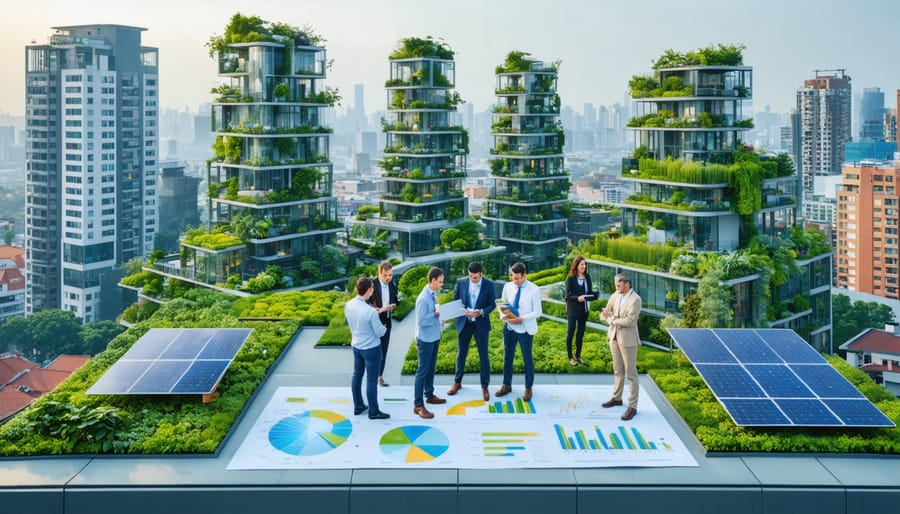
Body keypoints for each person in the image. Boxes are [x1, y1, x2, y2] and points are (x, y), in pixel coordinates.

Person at [448, 262, 496, 401]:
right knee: (461, 354)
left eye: (475, 277)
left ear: (480, 274)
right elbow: (455, 301)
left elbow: (492, 304)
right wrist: (462, 311)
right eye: (470, 276)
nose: (472, 279)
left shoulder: (488, 284)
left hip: (480, 324)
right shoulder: (461, 282)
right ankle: (457, 382)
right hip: (464, 323)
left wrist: (480, 312)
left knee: (483, 356)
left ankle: (485, 386)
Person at [496, 261, 542, 401]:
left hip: (525, 330)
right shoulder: (507, 287)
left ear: (524, 275)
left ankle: (528, 388)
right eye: (512, 277)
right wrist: (502, 315)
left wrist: (522, 318)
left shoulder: (534, 289)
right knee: (507, 358)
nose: (514, 281)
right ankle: (506, 385)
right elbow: (502, 305)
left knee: (527, 360)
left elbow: (538, 312)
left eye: (517, 278)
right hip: (509, 328)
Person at [345, 277, 390, 420]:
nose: (373, 290)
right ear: (369, 290)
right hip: (371, 349)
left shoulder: (349, 305)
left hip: (356, 346)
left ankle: (358, 406)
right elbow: (380, 333)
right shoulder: (370, 312)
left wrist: (373, 313)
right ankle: (373, 411)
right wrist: (382, 323)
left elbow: (351, 321)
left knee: (357, 376)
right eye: (372, 288)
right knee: (371, 380)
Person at [600, 272, 642, 421]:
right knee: (618, 370)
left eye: (618, 285)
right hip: (614, 337)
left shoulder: (636, 300)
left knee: (631, 373)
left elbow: (630, 321)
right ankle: (617, 398)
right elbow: (604, 314)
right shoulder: (615, 295)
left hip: (628, 340)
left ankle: (633, 406)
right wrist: (608, 317)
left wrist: (613, 320)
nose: (616, 287)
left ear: (626, 284)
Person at [413, 266, 446, 419]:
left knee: (430, 368)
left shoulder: (433, 294)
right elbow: (421, 321)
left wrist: (440, 318)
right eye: (440, 282)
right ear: (432, 280)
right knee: (422, 371)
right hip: (425, 339)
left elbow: (432, 316)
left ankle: (429, 394)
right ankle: (418, 405)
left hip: (434, 336)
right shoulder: (423, 298)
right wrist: (436, 314)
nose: (442, 285)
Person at [368, 260, 398, 387]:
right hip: (374, 323)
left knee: (383, 351)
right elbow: (366, 304)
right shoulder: (372, 285)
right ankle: (371, 377)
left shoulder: (392, 284)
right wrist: (380, 309)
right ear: (380, 273)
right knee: (373, 351)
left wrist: (393, 305)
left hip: (386, 322)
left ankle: (380, 376)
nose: (388, 278)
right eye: (385, 275)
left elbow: (395, 299)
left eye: (390, 275)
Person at [565, 256, 594, 366]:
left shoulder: (587, 277)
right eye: (581, 264)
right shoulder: (571, 279)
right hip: (573, 310)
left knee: (580, 334)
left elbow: (589, 292)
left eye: (585, 264)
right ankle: (570, 357)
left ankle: (578, 355)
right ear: (576, 265)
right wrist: (578, 298)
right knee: (571, 333)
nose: (584, 266)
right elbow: (568, 296)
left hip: (584, 310)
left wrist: (594, 295)